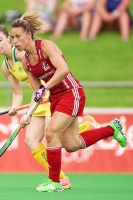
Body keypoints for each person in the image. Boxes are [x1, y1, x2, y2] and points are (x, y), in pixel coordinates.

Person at [11, 10, 126, 192]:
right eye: (12, 37)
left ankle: (55, 181)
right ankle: (111, 129)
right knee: (72, 145)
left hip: (72, 92)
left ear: (29, 34)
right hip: (56, 98)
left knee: (50, 133)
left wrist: (45, 88)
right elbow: (36, 91)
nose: (15, 41)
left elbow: (63, 69)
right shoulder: (26, 61)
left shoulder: (46, 46)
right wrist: (28, 114)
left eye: (18, 37)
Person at [0, 25, 102, 190]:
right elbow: (17, 92)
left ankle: (86, 125)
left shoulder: (21, 53)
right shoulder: (5, 67)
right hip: (38, 97)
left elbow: (45, 71)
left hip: (50, 93)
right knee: (31, 141)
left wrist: (40, 96)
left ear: (8, 38)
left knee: (54, 137)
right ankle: (61, 178)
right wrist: (15, 108)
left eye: (0, 39)